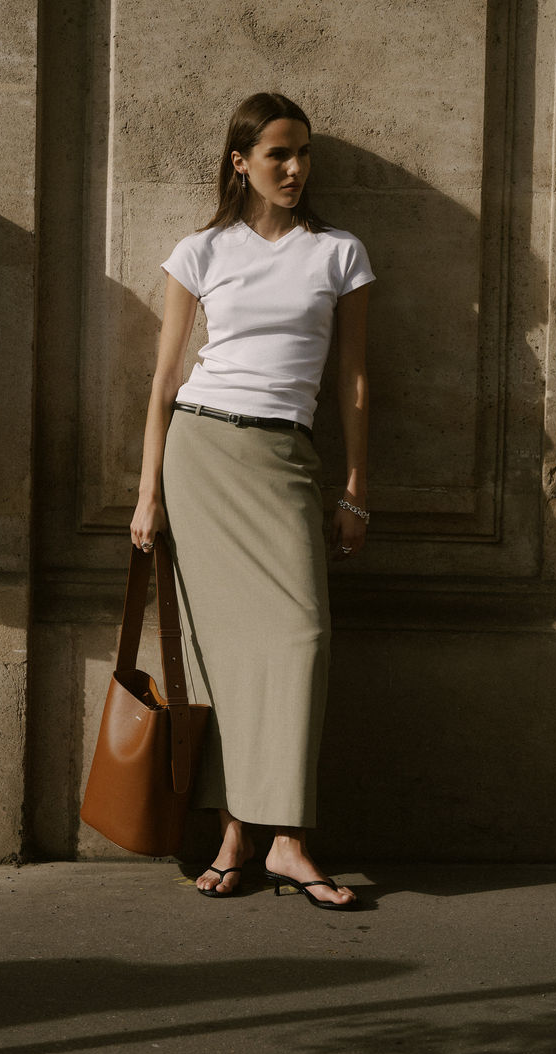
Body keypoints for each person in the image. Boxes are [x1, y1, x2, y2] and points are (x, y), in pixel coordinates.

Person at [130, 92, 373, 910]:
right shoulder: (200, 251)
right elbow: (164, 381)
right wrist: (146, 495)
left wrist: (355, 492)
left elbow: (354, 381)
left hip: (285, 459)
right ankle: (247, 839)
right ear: (241, 161)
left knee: (301, 639)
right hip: (201, 454)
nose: (295, 167)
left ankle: (288, 839)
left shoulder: (339, 254)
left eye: (302, 152)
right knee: (222, 661)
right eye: (277, 153)